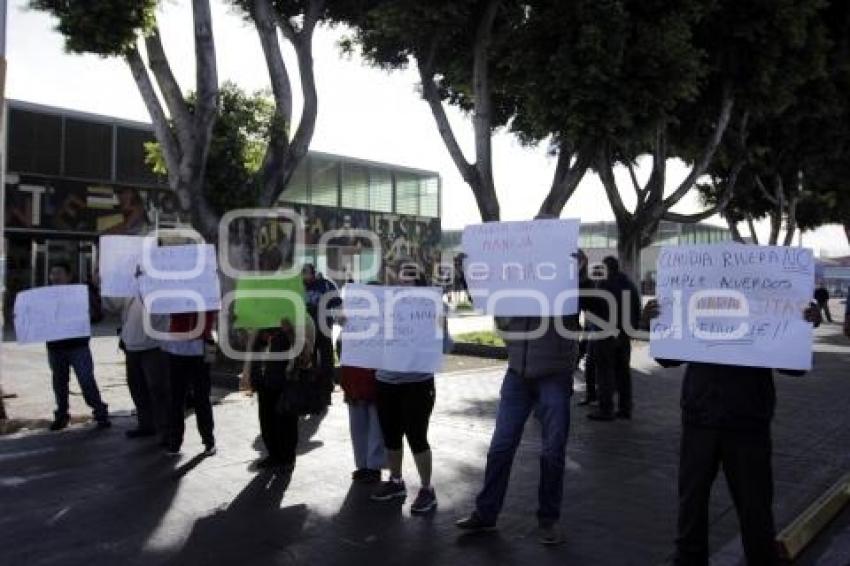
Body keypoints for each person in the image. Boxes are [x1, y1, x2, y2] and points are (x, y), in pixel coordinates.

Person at [642, 299, 821, 565]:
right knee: (693, 503)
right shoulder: (694, 292)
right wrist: (656, 322)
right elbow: (667, 358)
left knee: (755, 508)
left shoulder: (771, 290)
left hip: (746, 419)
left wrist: (801, 327)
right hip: (702, 416)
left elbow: (793, 367)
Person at [456, 245, 593, 545]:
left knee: (552, 452)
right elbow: (485, 298)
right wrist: (465, 274)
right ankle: (486, 513)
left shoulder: (569, 281)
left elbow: (592, 307)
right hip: (517, 374)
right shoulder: (513, 279)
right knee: (500, 448)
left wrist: (580, 276)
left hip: (554, 376)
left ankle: (548, 520)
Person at [370, 258, 446, 515]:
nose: (403, 282)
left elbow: (447, 348)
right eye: (398, 278)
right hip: (385, 382)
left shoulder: (432, 306)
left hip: (418, 385)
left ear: (419, 281)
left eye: (409, 278)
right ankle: (396, 481)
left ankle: (427, 489)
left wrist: (441, 329)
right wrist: (349, 325)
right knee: (390, 436)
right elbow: (363, 340)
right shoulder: (380, 306)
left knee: (417, 436)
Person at [45, 262, 110, 431]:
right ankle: (61, 415)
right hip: (55, 347)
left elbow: (97, 315)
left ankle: (100, 412)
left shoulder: (81, 293)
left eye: (59, 272)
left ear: (68, 276)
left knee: (86, 380)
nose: (55, 277)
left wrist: (89, 309)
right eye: (53, 274)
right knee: (59, 383)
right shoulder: (44, 296)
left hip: (77, 346)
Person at [587, 256, 641, 421]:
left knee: (605, 372)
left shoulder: (604, 285)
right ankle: (625, 408)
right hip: (624, 334)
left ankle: (606, 409)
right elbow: (637, 309)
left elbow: (596, 308)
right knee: (623, 372)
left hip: (606, 335)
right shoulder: (630, 285)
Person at [162, 311, 217, 456]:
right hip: (177, 346)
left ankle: (208, 440)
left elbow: (215, 308)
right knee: (177, 397)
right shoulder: (174, 291)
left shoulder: (207, 290)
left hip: (200, 345)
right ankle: (175, 442)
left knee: (202, 396)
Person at [120, 296, 170, 442]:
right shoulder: (129, 285)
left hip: (154, 345)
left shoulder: (158, 283)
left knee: (157, 389)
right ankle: (146, 425)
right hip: (131, 344)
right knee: (137, 387)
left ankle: (165, 430)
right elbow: (114, 307)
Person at [302, 264, 341, 398]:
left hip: (324, 327)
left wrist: (339, 315)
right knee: (307, 356)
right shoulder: (298, 285)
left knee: (326, 356)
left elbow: (337, 303)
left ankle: (327, 385)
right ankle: (308, 385)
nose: (304, 277)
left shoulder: (326, 285)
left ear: (313, 274)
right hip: (306, 330)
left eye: (306, 274)